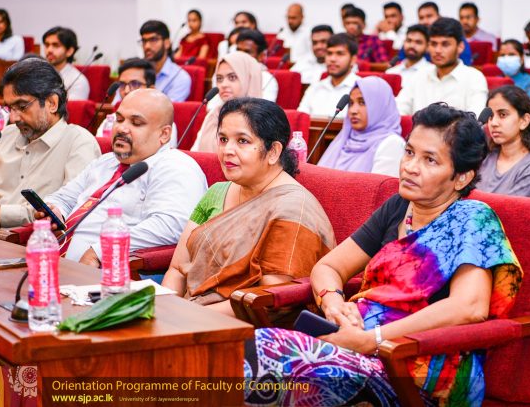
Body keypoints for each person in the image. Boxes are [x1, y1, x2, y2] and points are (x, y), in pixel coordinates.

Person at [244, 103, 522, 407]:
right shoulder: (400, 206)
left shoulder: (473, 218)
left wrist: (374, 339)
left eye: (430, 160)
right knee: (243, 352)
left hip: (417, 368)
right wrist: (335, 306)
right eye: (409, 152)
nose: (410, 167)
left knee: (263, 353)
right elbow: (329, 267)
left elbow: (470, 307)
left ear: (461, 178)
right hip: (357, 345)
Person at [163, 97, 336, 315]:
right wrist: (164, 309)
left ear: (273, 152)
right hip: (188, 310)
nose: (227, 150)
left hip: (243, 323)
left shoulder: (292, 209)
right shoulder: (217, 192)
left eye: (242, 141)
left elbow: (271, 301)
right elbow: (177, 269)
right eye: (223, 139)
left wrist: (188, 315)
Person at [40, 89, 207, 264]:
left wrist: (101, 250)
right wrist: (56, 211)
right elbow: (63, 198)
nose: (121, 128)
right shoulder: (105, 162)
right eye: (119, 119)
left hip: (105, 272)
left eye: (136, 123)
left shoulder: (176, 166)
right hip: (51, 262)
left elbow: (171, 226)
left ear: (164, 134)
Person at [0, 58, 99, 231]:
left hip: (38, 242)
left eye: (22, 106)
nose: (13, 118)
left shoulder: (79, 143)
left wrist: (3, 216)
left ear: (52, 103)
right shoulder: (5, 136)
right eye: (10, 108)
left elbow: (71, 208)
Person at [396, 18, 488, 116]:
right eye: (433, 44)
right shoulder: (419, 75)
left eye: (445, 44)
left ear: (460, 47)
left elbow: (475, 120)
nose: (438, 50)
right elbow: (398, 111)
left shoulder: (474, 78)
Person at [318, 76, 405, 177]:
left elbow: (379, 187)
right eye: (351, 103)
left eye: (362, 102)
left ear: (380, 106)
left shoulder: (392, 144)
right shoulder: (345, 138)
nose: (353, 111)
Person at [478, 85, 530, 198]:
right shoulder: (484, 157)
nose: (493, 123)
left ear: (524, 121)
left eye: (502, 115)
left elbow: (507, 209)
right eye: (491, 117)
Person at [96, 58, 178, 148]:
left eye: (135, 84)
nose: (126, 91)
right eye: (122, 84)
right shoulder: (109, 121)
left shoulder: (163, 125)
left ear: (151, 89)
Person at [192, 52, 262, 152]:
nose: (223, 84)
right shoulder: (215, 114)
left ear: (249, 78)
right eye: (219, 79)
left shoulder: (264, 119)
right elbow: (195, 151)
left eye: (232, 77)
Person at [297, 33, 361, 117]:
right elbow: (300, 119)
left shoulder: (361, 89)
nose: (332, 59)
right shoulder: (315, 88)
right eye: (329, 53)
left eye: (340, 54)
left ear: (353, 60)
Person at [139, 20, 191, 102]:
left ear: (167, 43)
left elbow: (169, 109)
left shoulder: (180, 78)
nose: (147, 46)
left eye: (153, 40)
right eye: (144, 41)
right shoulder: (136, 73)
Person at [416, 1, 473, 65]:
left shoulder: (453, 33)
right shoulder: (415, 38)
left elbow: (466, 62)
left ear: (439, 16)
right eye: (421, 18)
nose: (425, 21)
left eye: (429, 16)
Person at [42, 26, 90, 100]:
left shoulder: (78, 81)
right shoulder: (39, 75)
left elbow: (71, 107)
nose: (49, 50)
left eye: (56, 45)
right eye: (47, 45)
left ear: (69, 51)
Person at [235, 29, 278, 102]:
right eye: (238, 50)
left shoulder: (267, 80)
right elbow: (214, 104)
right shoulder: (225, 73)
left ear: (261, 56)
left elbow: (262, 108)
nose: (240, 55)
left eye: (247, 52)